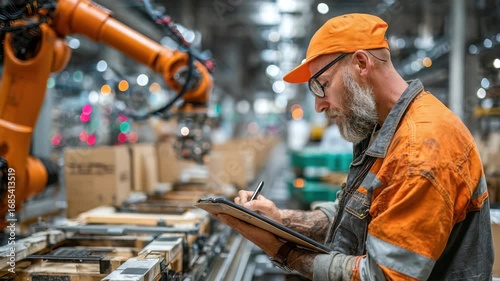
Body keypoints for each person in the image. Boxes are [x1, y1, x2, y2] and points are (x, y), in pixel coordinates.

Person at [216, 13, 494, 280]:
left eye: (321, 85)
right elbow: (351, 218)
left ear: (361, 64)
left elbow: (383, 276)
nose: (319, 105)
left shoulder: (418, 149)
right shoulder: (382, 129)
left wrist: (283, 252)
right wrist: (279, 219)